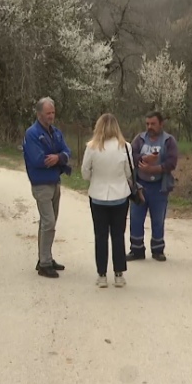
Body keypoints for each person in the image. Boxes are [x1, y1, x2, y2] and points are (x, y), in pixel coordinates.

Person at [80, 113, 133, 288]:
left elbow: (85, 173)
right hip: (119, 196)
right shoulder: (125, 147)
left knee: (100, 235)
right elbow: (129, 173)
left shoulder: (92, 147)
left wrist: (97, 176)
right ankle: (119, 274)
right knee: (118, 235)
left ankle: (102, 275)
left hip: (98, 196)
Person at [22, 97, 72, 278]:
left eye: (52, 113)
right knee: (48, 221)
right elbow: (38, 159)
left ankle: (46, 258)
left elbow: (67, 151)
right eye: (47, 113)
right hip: (41, 183)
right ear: (39, 114)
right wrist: (58, 157)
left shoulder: (56, 132)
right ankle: (44, 264)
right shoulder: (32, 133)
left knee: (49, 222)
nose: (51, 116)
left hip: (54, 181)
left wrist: (58, 158)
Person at [127, 111, 178, 261]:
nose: (150, 127)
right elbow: (130, 156)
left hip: (159, 187)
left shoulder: (168, 141)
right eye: (147, 124)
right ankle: (136, 250)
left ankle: (157, 250)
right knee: (136, 218)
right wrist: (143, 158)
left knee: (157, 220)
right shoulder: (139, 139)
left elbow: (171, 162)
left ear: (161, 124)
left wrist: (153, 169)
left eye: (153, 124)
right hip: (140, 186)